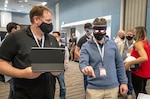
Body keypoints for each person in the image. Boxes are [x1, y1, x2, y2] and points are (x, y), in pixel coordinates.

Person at [0, 5, 60, 99]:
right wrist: (23, 73)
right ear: (36, 19)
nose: (50, 24)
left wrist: (58, 69)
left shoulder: (52, 39)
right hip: (24, 94)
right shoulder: (15, 37)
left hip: (48, 93)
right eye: (48, 21)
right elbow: (1, 64)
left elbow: (59, 63)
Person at [79, 17, 128, 99]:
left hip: (112, 88)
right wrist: (85, 68)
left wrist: (123, 82)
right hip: (94, 89)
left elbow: (119, 64)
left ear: (105, 30)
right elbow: (83, 62)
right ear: (92, 30)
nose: (99, 32)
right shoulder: (86, 46)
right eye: (96, 30)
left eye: (102, 30)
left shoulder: (112, 45)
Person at [124, 26, 150, 98]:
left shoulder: (138, 44)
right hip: (146, 72)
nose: (133, 35)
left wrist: (129, 63)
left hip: (139, 72)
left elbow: (144, 57)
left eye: (134, 33)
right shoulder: (147, 43)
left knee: (139, 93)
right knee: (143, 92)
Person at [75, 23, 92, 92]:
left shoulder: (94, 38)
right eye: (88, 29)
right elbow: (76, 51)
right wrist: (82, 58)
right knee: (86, 79)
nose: (90, 30)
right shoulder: (82, 39)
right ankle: (87, 93)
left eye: (91, 28)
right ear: (85, 29)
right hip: (86, 63)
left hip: (94, 62)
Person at [118, 29, 135, 99]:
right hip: (122, 65)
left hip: (131, 65)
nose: (128, 36)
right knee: (120, 79)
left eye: (130, 35)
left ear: (133, 35)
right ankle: (120, 92)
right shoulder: (122, 43)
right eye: (127, 34)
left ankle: (129, 93)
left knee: (130, 80)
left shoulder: (135, 44)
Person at [52, 31, 69, 99]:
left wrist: (64, 67)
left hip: (60, 69)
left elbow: (66, 58)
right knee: (51, 87)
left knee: (62, 86)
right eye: (53, 37)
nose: (54, 38)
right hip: (51, 69)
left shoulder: (63, 47)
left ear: (59, 37)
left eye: (55, 36)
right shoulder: (50, 46)